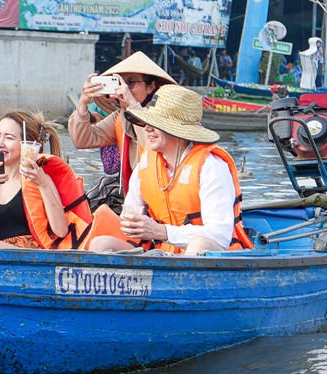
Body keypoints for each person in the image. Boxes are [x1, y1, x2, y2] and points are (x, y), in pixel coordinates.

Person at [87, 85, 254, 256]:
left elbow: (220, 236)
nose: (146, 129)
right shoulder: (146, 164)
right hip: (162, 252)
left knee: (198, 244)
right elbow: (131, 213)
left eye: (156, 124)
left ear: (178, 131)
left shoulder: (210, 166)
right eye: (147, 123)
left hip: (211, 256)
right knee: (100, 243)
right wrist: (132, 224)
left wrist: (162, 232)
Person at [0, 110, 92, 250]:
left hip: (31, 257)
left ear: (26, 144)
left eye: (9, 138)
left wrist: (44, 185)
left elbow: (61, 231)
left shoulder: (40, 180)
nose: (0, 143)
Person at [68, 51, 176, 194]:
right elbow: (82, 140)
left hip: (164, 193)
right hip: (135, 197)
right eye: (120, 83)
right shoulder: (120, 117)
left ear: (151, 87)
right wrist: (82, 104)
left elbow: (152, 148)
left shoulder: (166, 116)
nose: (123, 88)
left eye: (130, 83)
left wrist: (133, 105)